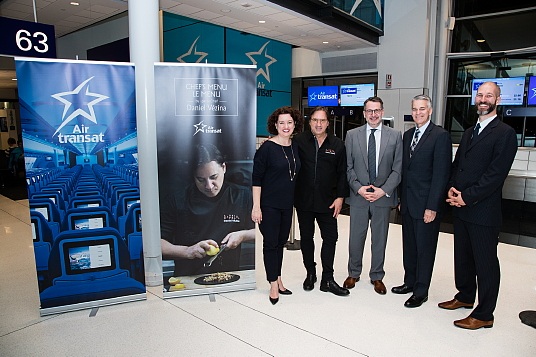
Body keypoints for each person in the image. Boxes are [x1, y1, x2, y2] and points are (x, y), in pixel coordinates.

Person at [441, 81, 517, 329]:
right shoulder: (469, 131)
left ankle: (484, 314)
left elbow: (495, 176)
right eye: (480, 95)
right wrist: (452, 188)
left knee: (485, 263)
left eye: (489, 95)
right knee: (462, 258)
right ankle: (464, 297)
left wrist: (467, 196)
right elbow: (458, 165)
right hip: (461, 208)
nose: (483, 99)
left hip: (483, 211)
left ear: (498, 99)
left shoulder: (504, 133)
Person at [392, 95, 452, 307]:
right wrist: (400, 199)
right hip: (408, 203)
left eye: (422, 109)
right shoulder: (408, 135)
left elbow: (441, 175)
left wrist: (432, 206)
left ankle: (421, 290)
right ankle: (409, 282)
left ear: (430, 110)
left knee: (425, 249)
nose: (418, 113)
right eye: (415, 109)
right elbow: (404, 171)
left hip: (427, 205)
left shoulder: (440, 136)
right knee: (409, 246)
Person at [160, 143, 255, 278]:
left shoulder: (242, 196)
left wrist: (242, 236)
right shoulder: (176, 201)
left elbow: (264, 233)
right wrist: (188, 251)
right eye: (201, 180)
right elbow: (158, 245)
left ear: (224, 168)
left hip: (229, 278)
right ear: (193, 176)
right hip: (187, 280)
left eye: (213, 177)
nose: (209, 186)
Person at [344, 96, 402, 295]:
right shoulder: (352, 135)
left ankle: (377, 276)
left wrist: (383, 190)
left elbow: (398, 169)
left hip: (382, 197)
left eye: (377, 110)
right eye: (370, 111)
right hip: (359, 196)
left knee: (379, 238)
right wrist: (359, 188)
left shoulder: (395, 136)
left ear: (383, 112)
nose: (374, 114)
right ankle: (353, 272)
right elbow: (348, 167)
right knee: (356, 237)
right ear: (364, 113)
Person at [293, 106, 350, 296]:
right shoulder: (299, 141)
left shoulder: (337, 144)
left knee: (331, 238)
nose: (318, 124)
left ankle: (328, 278)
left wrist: (340, 197)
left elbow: (343, 174)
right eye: (315, 120)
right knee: (307, 239)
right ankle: (310, 273)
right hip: (304, 201)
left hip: (328, 202)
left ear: (328, 123)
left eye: (322, 121)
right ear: (310, 122)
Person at [252, 106, 303, 305]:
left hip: (286, 205)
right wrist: (256, 207)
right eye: (281, 122)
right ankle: (273, 283)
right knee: (271, 244)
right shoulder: (266, 148)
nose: (285, 126)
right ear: (275, 125)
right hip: (268, 205)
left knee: (280, 243)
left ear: (294, 124)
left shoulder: (295, 146)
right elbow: (256, 179)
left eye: (289, 122)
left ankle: (278, 277)